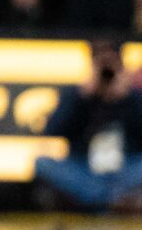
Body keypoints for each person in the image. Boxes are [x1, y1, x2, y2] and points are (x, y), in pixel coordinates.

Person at [30, 42, 142, 212]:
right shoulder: (77, 94)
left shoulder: (133, 96)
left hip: (125, 168)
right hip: (84, 168)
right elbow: (52, 130)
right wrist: (82, 98)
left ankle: (95, 200)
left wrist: (126, 99)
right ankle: (111, 200)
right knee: (42, 163)